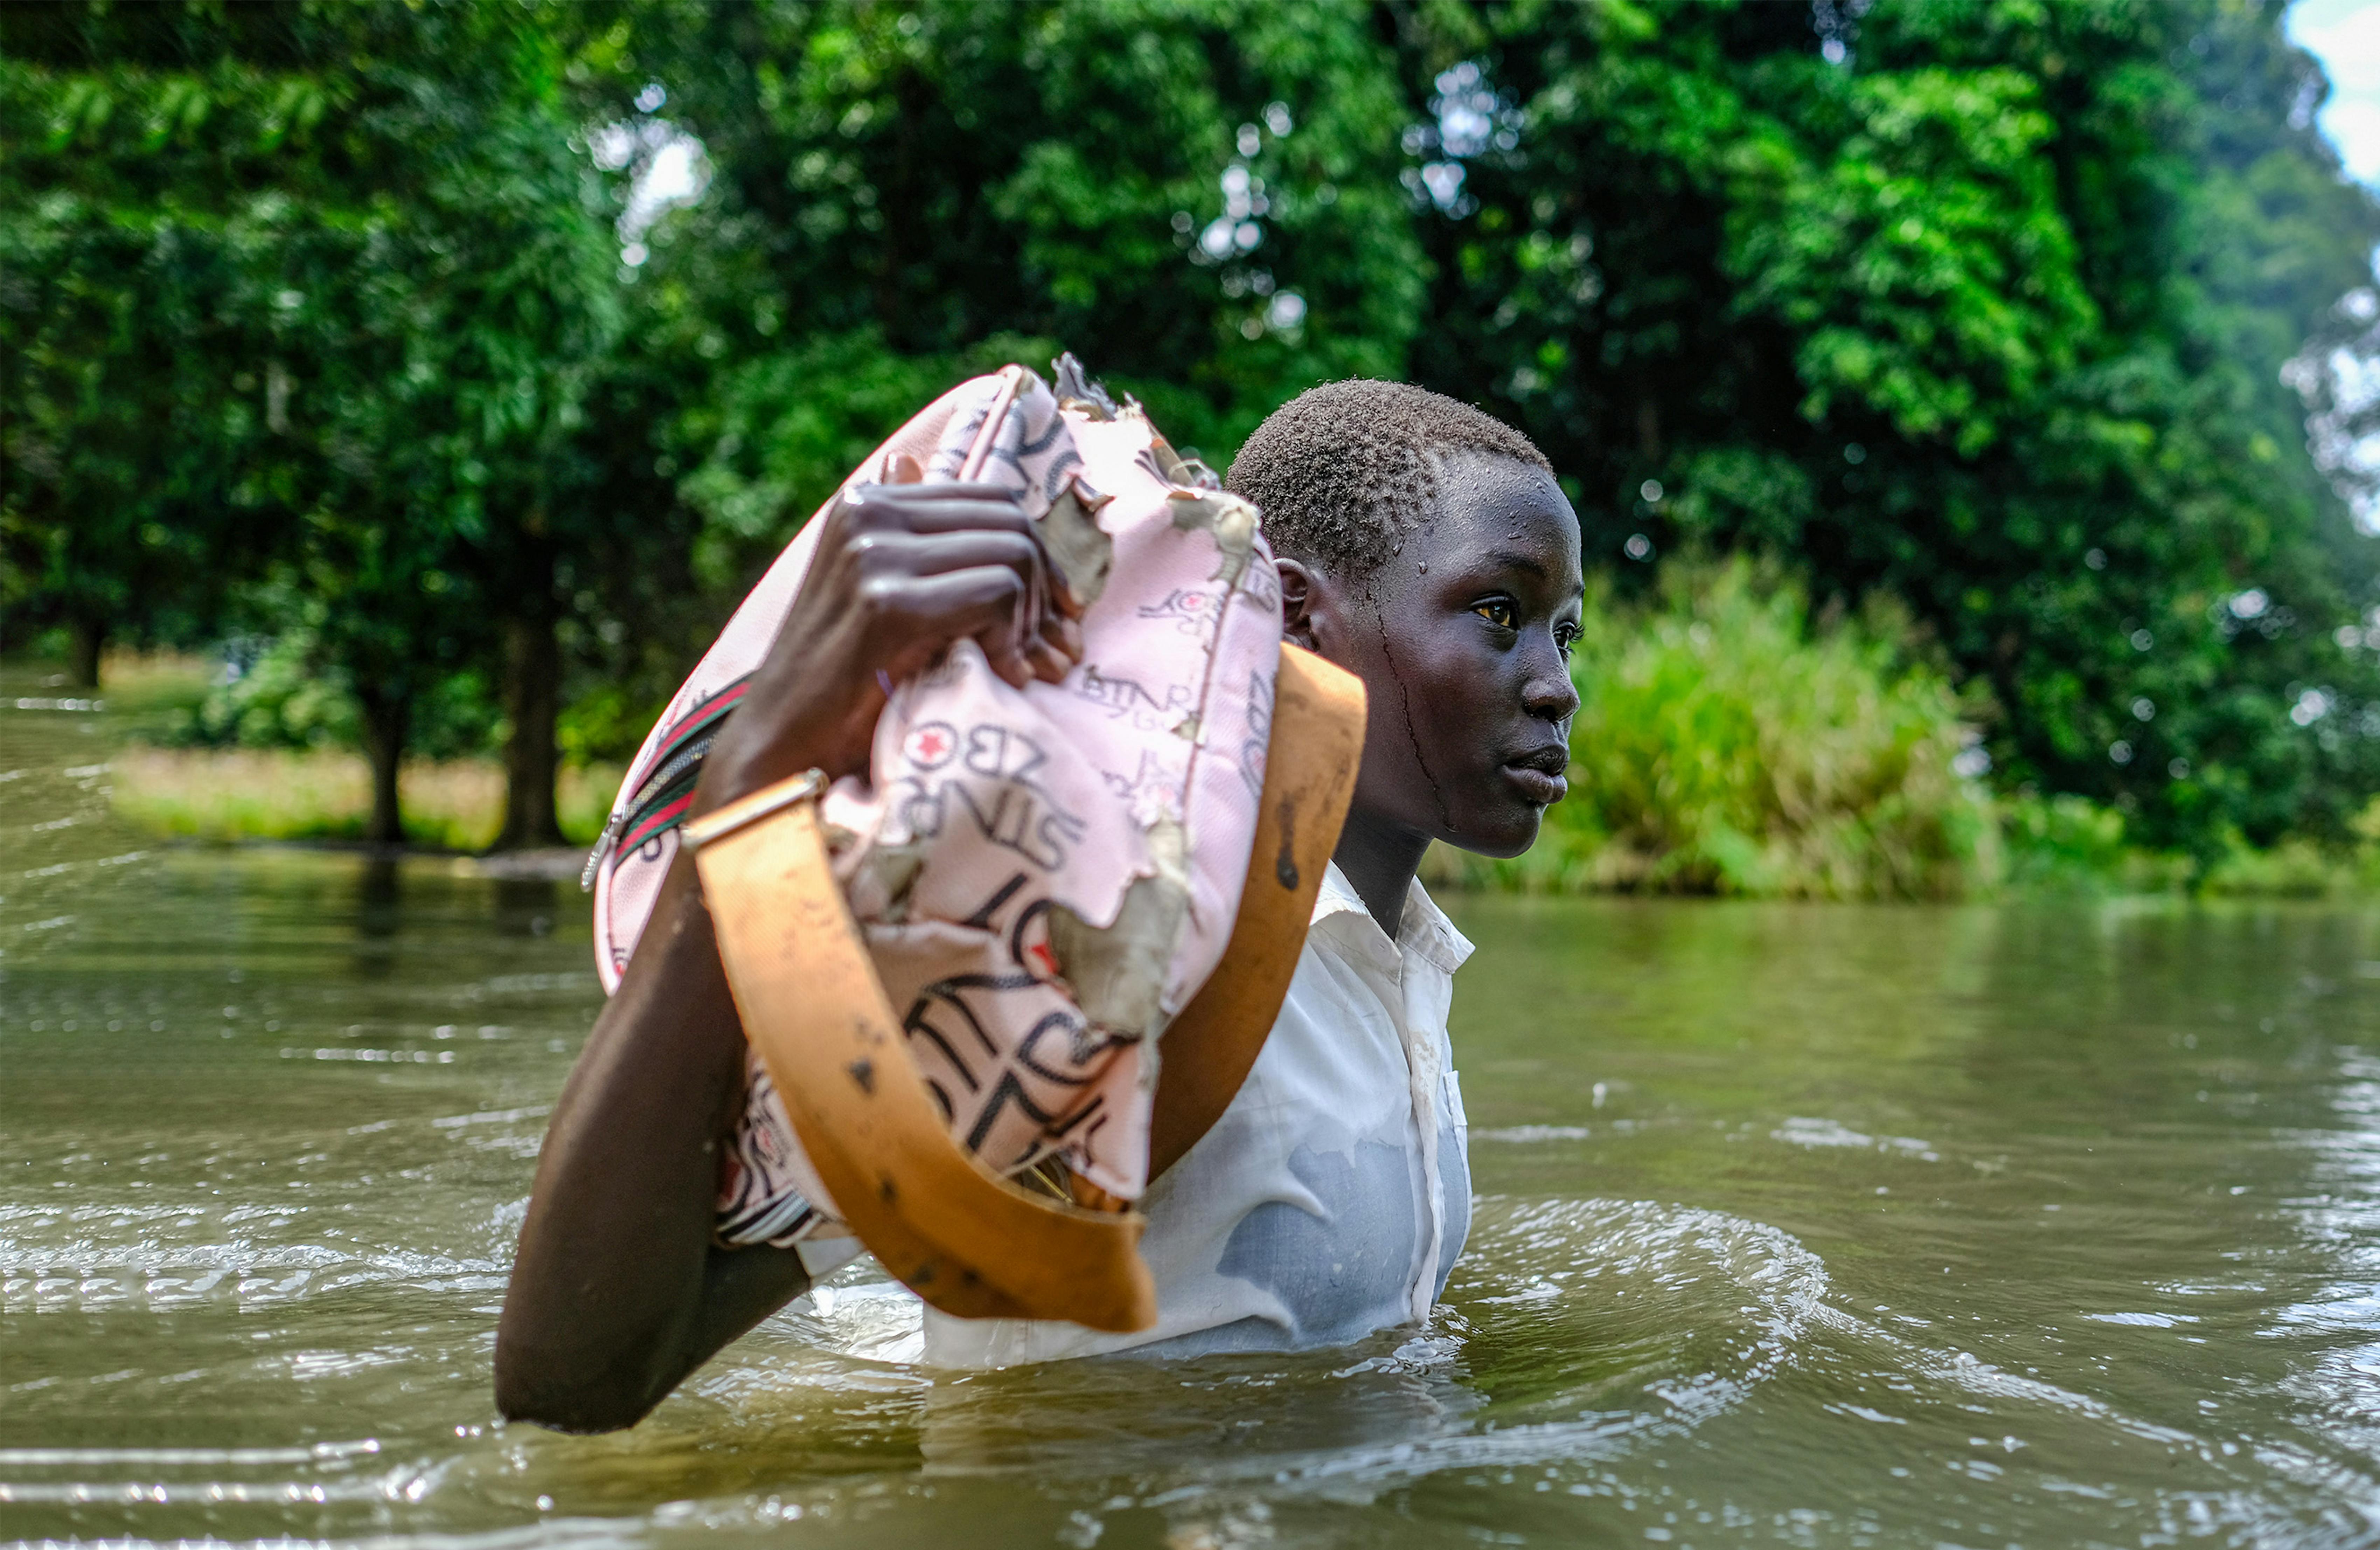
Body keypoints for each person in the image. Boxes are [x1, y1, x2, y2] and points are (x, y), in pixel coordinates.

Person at [495, 380, 1584, 1430]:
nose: (1557, 683)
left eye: (1564, 631)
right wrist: (744, 805)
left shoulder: (1406, 964)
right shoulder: (1139, 963)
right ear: (1294, 615)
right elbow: (575, 1373)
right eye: (1500, 612)